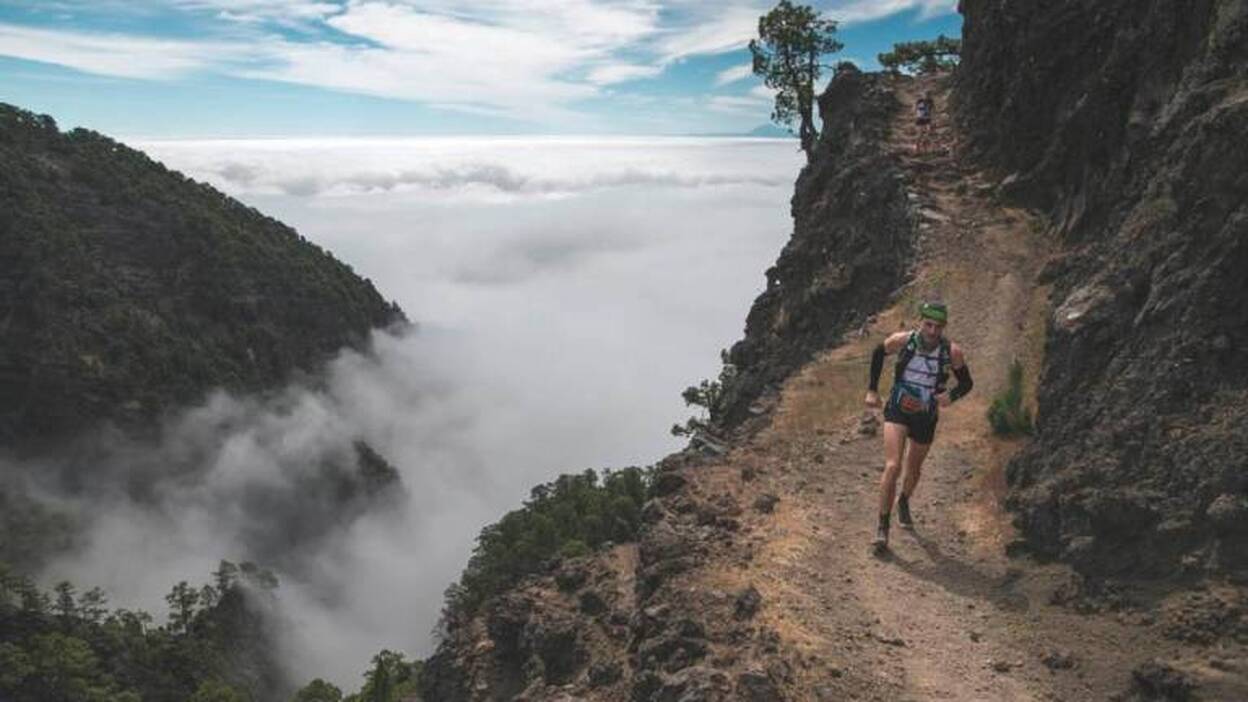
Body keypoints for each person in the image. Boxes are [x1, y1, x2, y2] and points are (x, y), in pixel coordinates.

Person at [864, 301, 973, 550]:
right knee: (893, 466)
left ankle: (904, 500)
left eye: (938, 327)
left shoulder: (952, 352)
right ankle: (883, 527)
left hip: (926, 414)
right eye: (928, 325)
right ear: (920, 322)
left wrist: (951, 396)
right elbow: (878, 352)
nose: (933, 331)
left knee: (914, 470)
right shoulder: (903, 340)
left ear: (944, 327)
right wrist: (872, 390)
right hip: (898, 408)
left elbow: (967, 383)